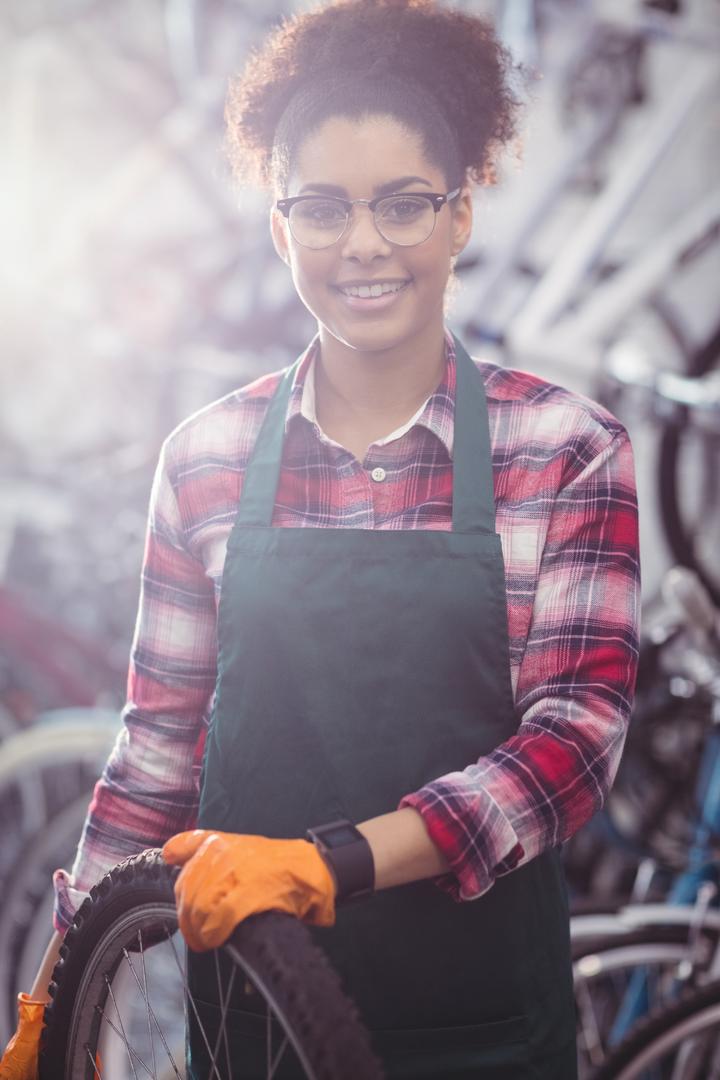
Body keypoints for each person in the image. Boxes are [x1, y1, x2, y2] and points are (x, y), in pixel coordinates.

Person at [1, 1, 641, 1077]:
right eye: (323, 208)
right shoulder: (205, 460)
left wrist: (323, 865)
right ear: (278, 225)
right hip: (255, 1024)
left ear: (460, 214)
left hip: (480, 1033)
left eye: (402, 205)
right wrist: (59, 987)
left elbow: (571, 745)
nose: (364, 245)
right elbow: (157, 754)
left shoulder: (567, 450)